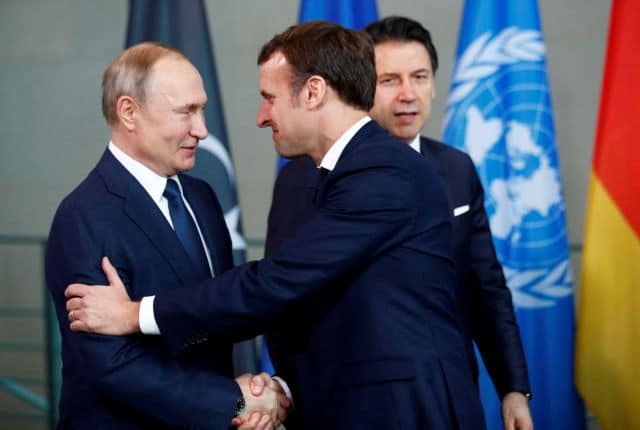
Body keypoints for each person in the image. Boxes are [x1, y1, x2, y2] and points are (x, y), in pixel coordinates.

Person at [65, 22, 486, 429]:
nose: (261, 116)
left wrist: (135, 314)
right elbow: (290, 300)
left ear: (314, 91)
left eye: (270, 97)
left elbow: (274, 283)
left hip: (402, 411)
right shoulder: (83, 215)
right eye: (186, 111)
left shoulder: (384, 173)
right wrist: (259, 393)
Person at [268, 16, 533, 430]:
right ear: (360, 86)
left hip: (446, 395)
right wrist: (295, 390)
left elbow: (485, 287)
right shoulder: (302, 177)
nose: (408, 94)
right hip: (346, 402)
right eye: (389, 79)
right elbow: (282, 294)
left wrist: (513, 388)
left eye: (420, 76)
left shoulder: (456, 168)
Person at [45, 42, 285, 429]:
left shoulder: (202, 198)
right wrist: (233, 400)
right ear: (129, 112)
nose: (202, 130)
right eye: (186, 112)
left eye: (202, 109)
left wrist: (255, 394)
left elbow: (218, 310)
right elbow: (112, 364)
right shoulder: (82, 216)